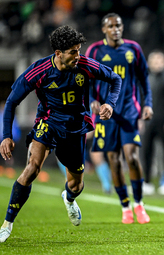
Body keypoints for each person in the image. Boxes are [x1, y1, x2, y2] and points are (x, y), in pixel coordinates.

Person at [0, 25, 122, 243]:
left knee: (76, 184)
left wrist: (110, 104)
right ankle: (7, 223)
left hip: (75, 127)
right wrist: (6, 135)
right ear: (58, 53)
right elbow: (11, 102)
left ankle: (69, 198)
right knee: (32, 168)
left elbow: (115, 79)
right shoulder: (39, 71)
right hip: (48, 123)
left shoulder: (84, 65)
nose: (78, 55)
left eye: (79, 50)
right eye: (73, 51)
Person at [85, 13, 153, 224]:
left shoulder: (134, 48)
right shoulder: (95, 50)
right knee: (114, 161)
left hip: (129, 111)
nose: (116, 29)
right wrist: (92, 101)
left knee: (131, 158)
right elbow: (86, 81)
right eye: (111, 26)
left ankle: (139, 203)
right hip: (106, 115)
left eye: (119, 25)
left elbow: (144, 79)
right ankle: (125, 205)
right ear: (104, 29)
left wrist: (147, 104)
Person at [142, 50, 164, 195]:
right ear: (149, 63)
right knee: (147, 152)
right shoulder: (146, 79)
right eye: (154, 61)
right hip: (149, 121)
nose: (157, 64)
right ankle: (147, 182)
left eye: (159, 61)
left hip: (163, 121)